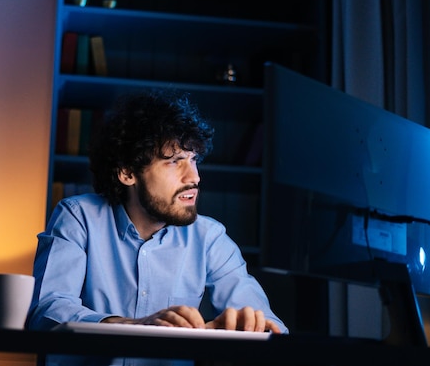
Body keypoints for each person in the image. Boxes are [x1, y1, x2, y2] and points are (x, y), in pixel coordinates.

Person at [26, 90, 287, 335]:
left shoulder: (209, 237)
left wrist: (249, 326)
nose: (194, 177)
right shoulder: (77, 217)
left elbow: (270, 325)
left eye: (193, 160)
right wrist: (135, 327)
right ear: (128, 173)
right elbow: (47, 309)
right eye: (174, 161)